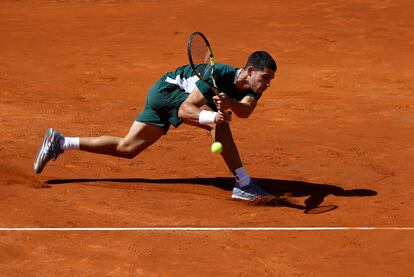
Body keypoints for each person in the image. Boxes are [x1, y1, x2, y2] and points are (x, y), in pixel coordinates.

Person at [34, 51, 277, 201]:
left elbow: (245, 110)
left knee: (127, 148)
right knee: (219, 126)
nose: (268, 84)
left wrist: (228, 102)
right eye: (265, 77)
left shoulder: (254, 87)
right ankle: (244, 184)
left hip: (169, 95)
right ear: (250, 70)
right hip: (166, 92)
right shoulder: (218, 73)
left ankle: (61, 142)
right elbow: (185, 110)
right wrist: (213, 117)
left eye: (270, 80)